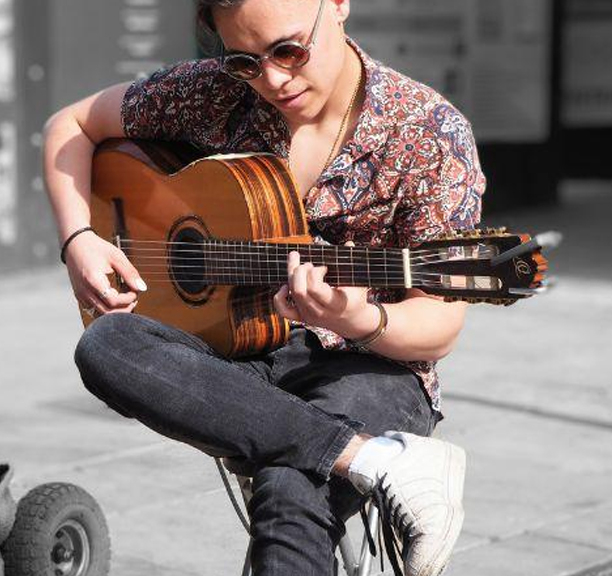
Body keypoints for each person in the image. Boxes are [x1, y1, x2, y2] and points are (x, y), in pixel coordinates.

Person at [43, 0, 485, 574]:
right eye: (244, 61)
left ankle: (344, 452)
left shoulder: (429, 133)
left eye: (289, 49)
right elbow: (70, 125)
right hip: (241, 351)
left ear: (340, 5)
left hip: (372, 366)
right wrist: (79, 238)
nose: (272, 79)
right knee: (105, 345)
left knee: (290, 485)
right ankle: (381, 461)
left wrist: (356, 320)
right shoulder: (216, 93)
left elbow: (440, 323)